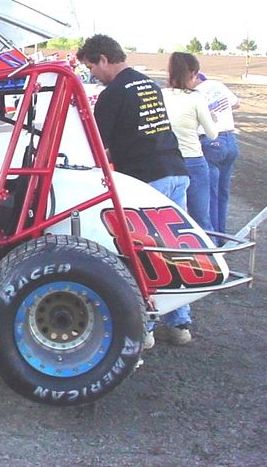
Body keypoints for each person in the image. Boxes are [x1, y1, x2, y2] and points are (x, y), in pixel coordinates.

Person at [76, 35, 190, 348]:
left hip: (145, 178)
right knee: (174, 249)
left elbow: (95, 143)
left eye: (91, 68)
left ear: (101, 59)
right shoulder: (148, 84)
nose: (93, 76)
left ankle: (146, 327)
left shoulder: (112, 94)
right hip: (176, 171)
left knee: (141, 253)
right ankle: (180, 324)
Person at [162, 52, 218, 232]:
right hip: (193, 160)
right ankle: (209, 253)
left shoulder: (160, 95)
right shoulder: (196, 98)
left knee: (172, 219)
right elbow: (212, 134)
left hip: (167, 161)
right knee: (201, 218)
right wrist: (212, 119)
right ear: (192, 73)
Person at [195, 72, 240, 239]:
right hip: (230, 139)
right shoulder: (218, 85)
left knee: (210, 193)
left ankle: (213, 237)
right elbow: (236, 104)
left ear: (195, 78)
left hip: (212, 141)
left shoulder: (197, 93)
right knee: (223, 192)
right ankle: (222, 233)